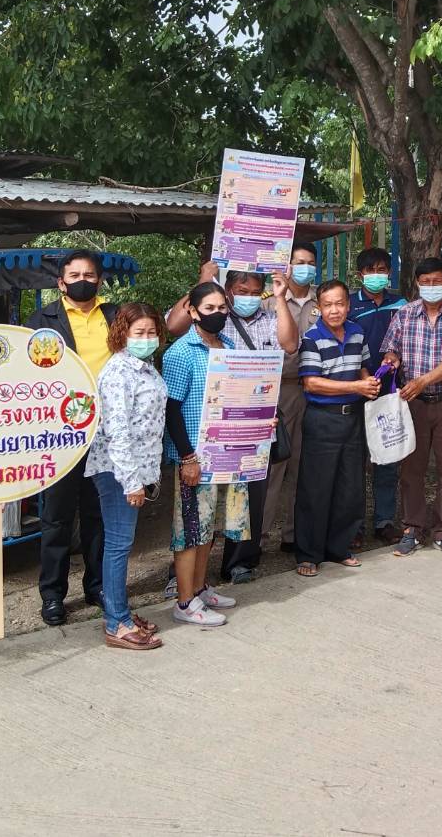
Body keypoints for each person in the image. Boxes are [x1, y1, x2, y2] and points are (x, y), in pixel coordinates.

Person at [26, 250, 116, 627]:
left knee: (98, 514)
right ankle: (52, 595)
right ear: (61, 282)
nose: (83, 280)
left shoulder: (115, 316)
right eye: (75, 275)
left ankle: (97, 586)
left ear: (99, 280)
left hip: (107, 431)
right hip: (61, 432)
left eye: (89, 274)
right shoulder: (41, 321)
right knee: (57, 517)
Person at [162, 282, 248, 626]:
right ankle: (184, 602)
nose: (217, 314)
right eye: (209, 308)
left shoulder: (228, 346)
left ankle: (199, 589)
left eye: (222, 308)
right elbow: (171, 410)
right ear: (193, 312)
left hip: (223, 453)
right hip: (194, 457)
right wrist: (187, 458)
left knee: (207, 528)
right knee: (189, 530)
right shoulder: (180, 353)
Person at [379, 257, 442, 558]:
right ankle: (412, 528)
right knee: (411, 470)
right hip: (414, 404)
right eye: (425, 282)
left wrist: (423, 380)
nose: (431, 286)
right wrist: (391, 360)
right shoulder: (404, 314)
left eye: (436, 281)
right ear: (417, 283)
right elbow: (391, 349)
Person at [88, 302, 166, 651]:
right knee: (118, 545)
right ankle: (116, 624)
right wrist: (131, 481)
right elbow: (116, 431)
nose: (146, 338)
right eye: (139, 332)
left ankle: (120, 611)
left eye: (151, 332)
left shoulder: (146, 368)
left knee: (121, 544)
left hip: (138, 468)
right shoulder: (117, 371)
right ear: (123, 333)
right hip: (117, 471)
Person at [216, 269, 299, 583]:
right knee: (208, 493)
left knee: (251, 490)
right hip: (218, 417)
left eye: (254, 292)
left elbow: (290, 344)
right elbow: (175, 324)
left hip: (259, 417)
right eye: (242, 290)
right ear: (228, 289)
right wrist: (206, 281)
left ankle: (240, 561)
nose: (248, 297)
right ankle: (187, 568)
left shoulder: (270, 319)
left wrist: (280, 297)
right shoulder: (216, 317)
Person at [295, 279, 380, 576]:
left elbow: (364, 366)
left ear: (348, 305)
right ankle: (309, 554)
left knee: (350, 487)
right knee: (316, 489)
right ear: (319, 307)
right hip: (323, 419)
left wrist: (368, 382)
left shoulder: (357, 332)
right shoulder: (311, 337)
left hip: (353, 418)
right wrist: (357, 386)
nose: (334, 310)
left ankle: (339, 548)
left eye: (340, 304)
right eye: (328, 305)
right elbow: (311, 382)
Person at [263, 243, 321, 553]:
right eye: (299, 262)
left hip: (313, 390)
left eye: (310, 262)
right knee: (273, 464)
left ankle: (294, 533)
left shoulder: (323, 300)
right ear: (287, 266)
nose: (304, 268)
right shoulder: (267, 302)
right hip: (278, 389)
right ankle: (258, 536)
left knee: (304, 463)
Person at [349, 247, 408, 546]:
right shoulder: (348, 304)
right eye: (370, 270)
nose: (376, 275)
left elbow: (407, 340)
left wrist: (396, 357)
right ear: (360, 274)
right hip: (355, 391)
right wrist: (360, 379)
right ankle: (354, 525)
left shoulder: (401, 304)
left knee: (387, 458)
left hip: (390, 393)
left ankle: (384, 520)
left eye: (382, 269)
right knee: (356, 461)